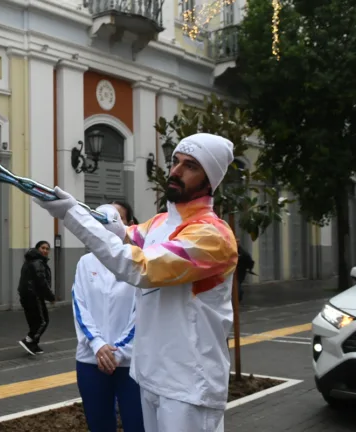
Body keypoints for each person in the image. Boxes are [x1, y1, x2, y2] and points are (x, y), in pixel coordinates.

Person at [34, 133, 238, 432]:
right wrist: (78, 206)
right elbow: (123, 233)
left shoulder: (212, 236)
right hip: (150, 377)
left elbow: (141, 268)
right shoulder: (159, 223)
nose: (176, 171)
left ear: (210, 180)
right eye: (175, 162)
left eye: (190, 166)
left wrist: (70, 215)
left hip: (190, 386)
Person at [72, 203, 144, 432]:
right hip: (91, 360)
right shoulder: (85, 263)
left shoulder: (140, 261)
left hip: (130, 362)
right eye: (101, 219)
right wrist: (98, 345)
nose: (107, 224)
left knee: (137, 424)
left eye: (116, 218)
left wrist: (119, 351)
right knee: (100, 425)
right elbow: (79, 306)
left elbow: (142, 311)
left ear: (129, 225)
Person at [17, 240, 55, 355]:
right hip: (34, 296)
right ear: (38, 249)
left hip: (27, 296)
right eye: (42, 248)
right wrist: (51, 297)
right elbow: (41, 282)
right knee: (43, 321)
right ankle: (28, 340)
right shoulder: (37, 262)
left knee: (35, 321)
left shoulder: (31, 261)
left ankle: (34, 344)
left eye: (47, 249)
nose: (45, 250)